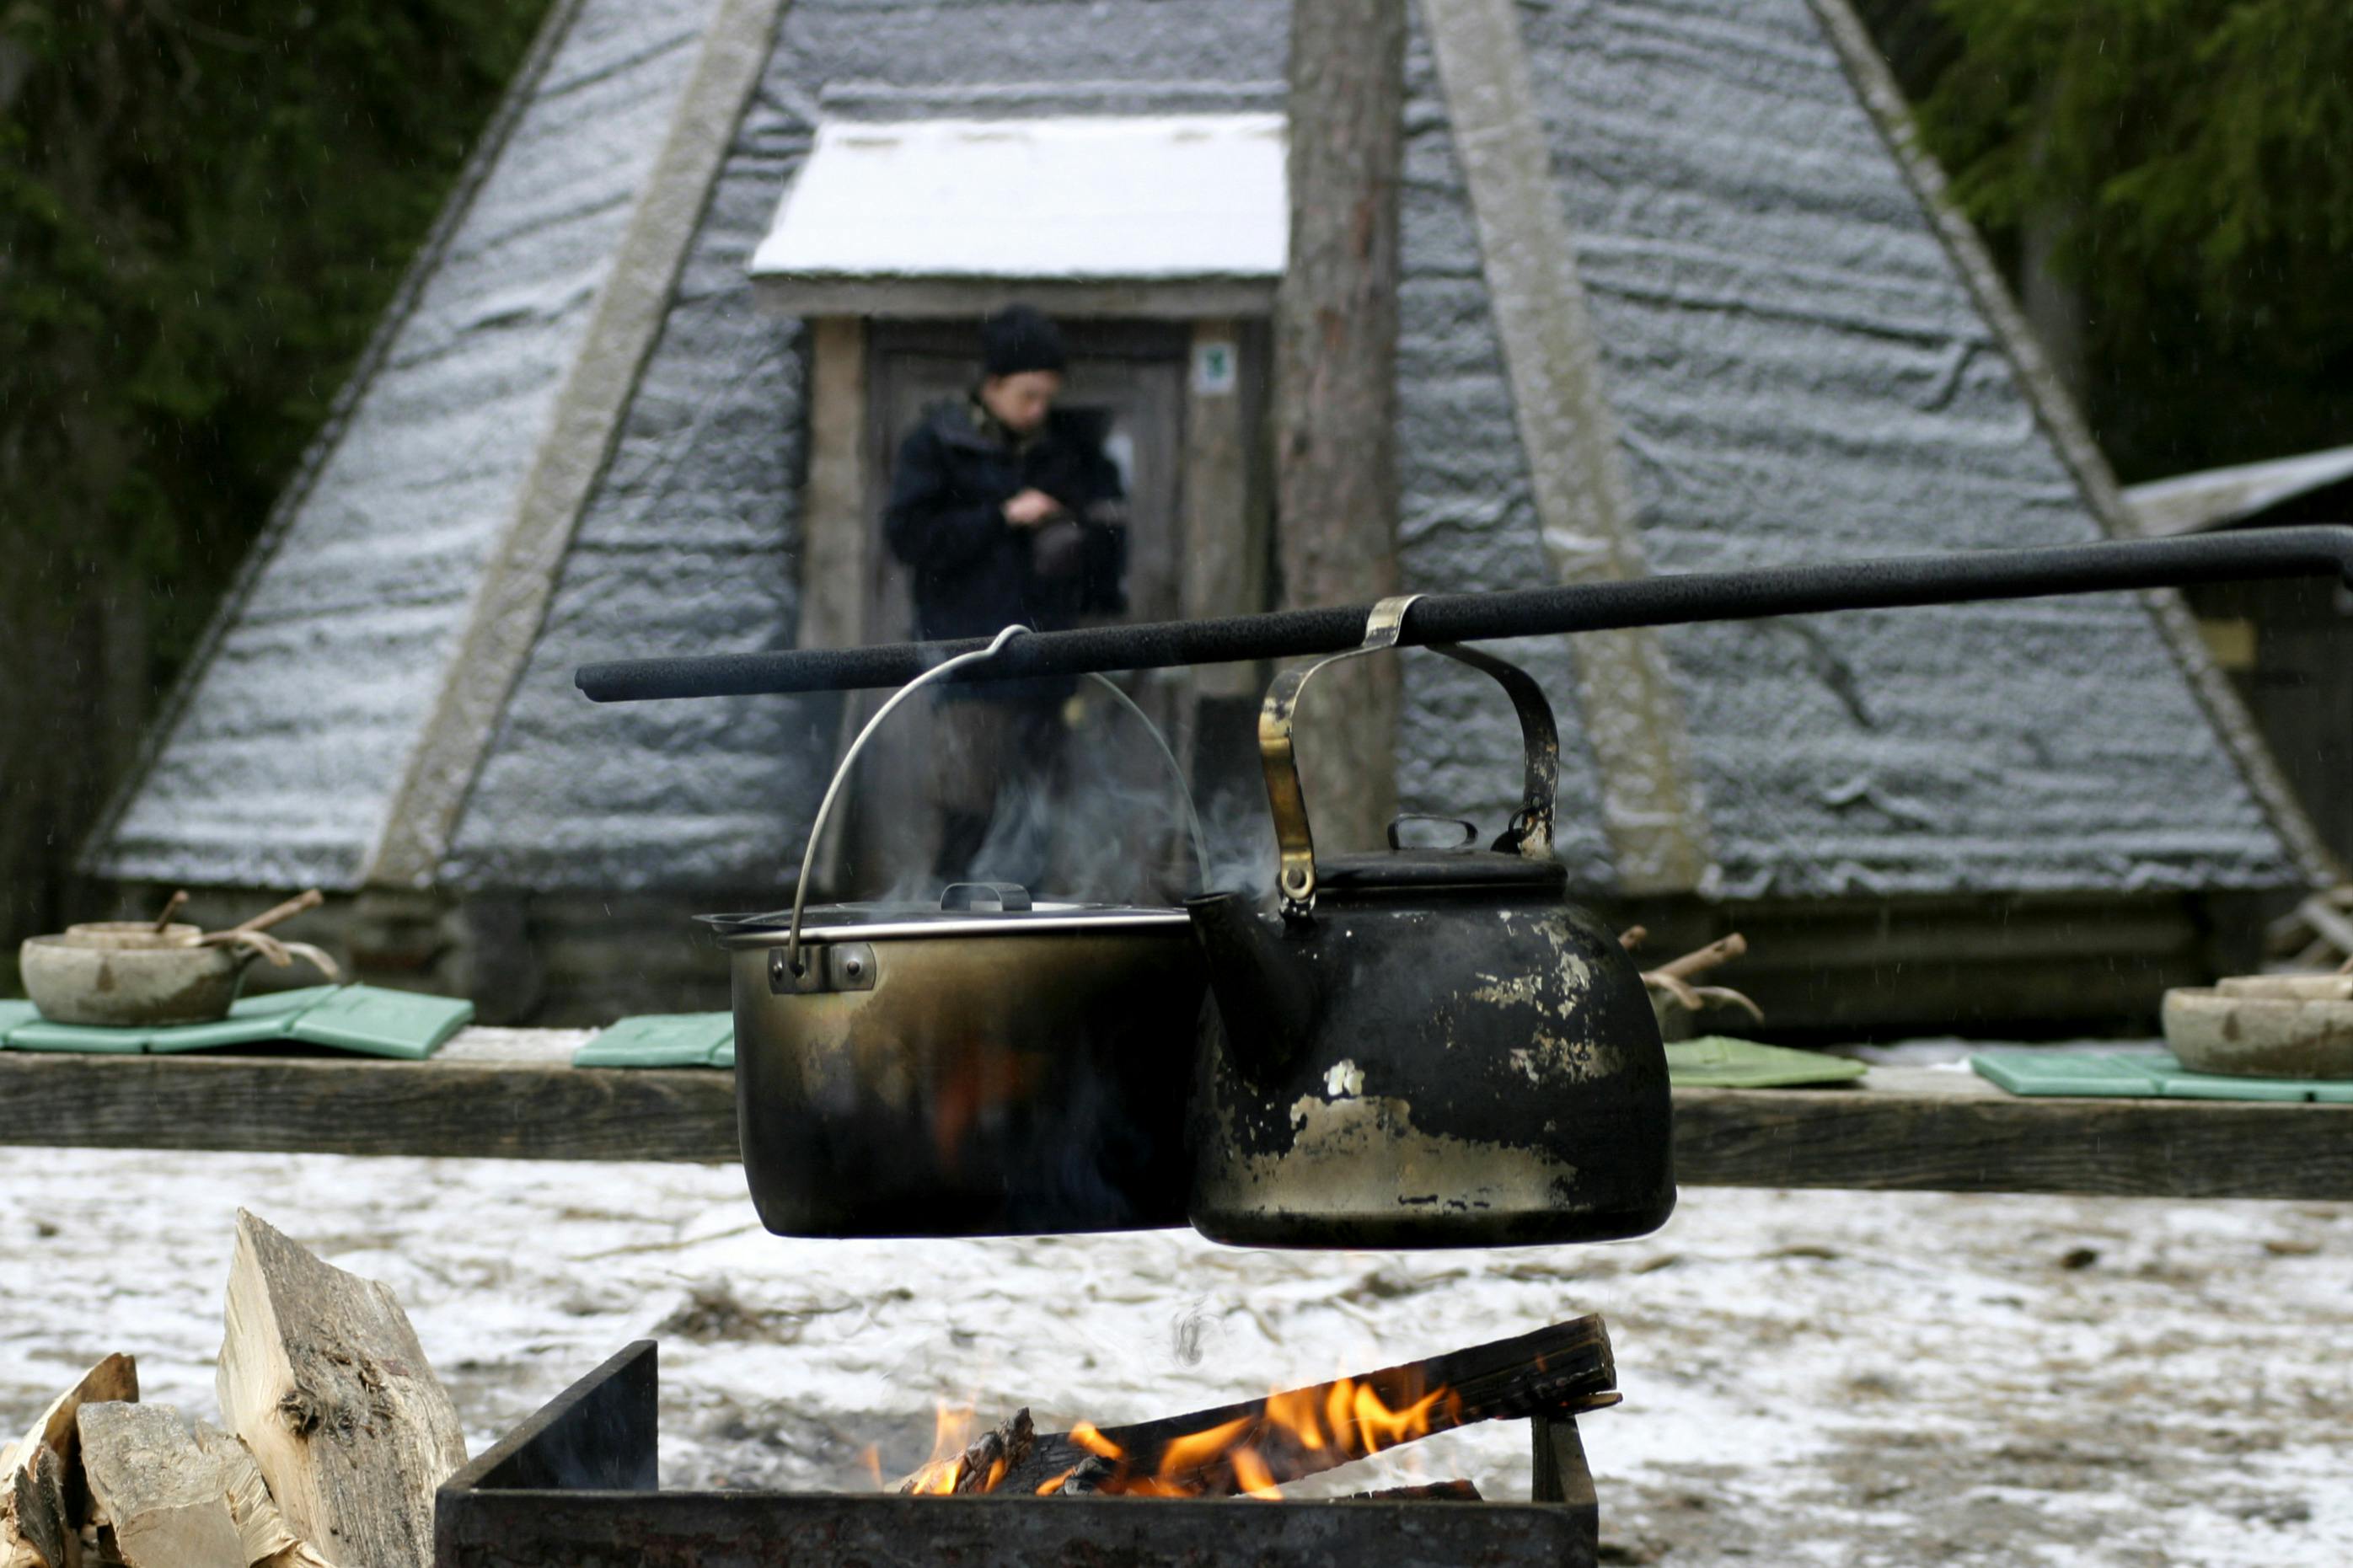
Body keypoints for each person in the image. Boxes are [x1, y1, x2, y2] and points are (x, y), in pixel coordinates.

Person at [882, 305, 1128, 884]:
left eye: (1048, 397)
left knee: (1039, 817)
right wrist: (1002, 518)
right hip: (967, 662)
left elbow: (1110, 535)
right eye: (1027, 396)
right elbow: (908, 537)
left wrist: (1075, 534)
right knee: (969, 810)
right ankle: (947, 933)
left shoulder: (1067, 451)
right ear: (992, 385)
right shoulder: (938, 445)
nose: (1039, 410)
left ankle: (1034, 941)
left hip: (1047, 665)